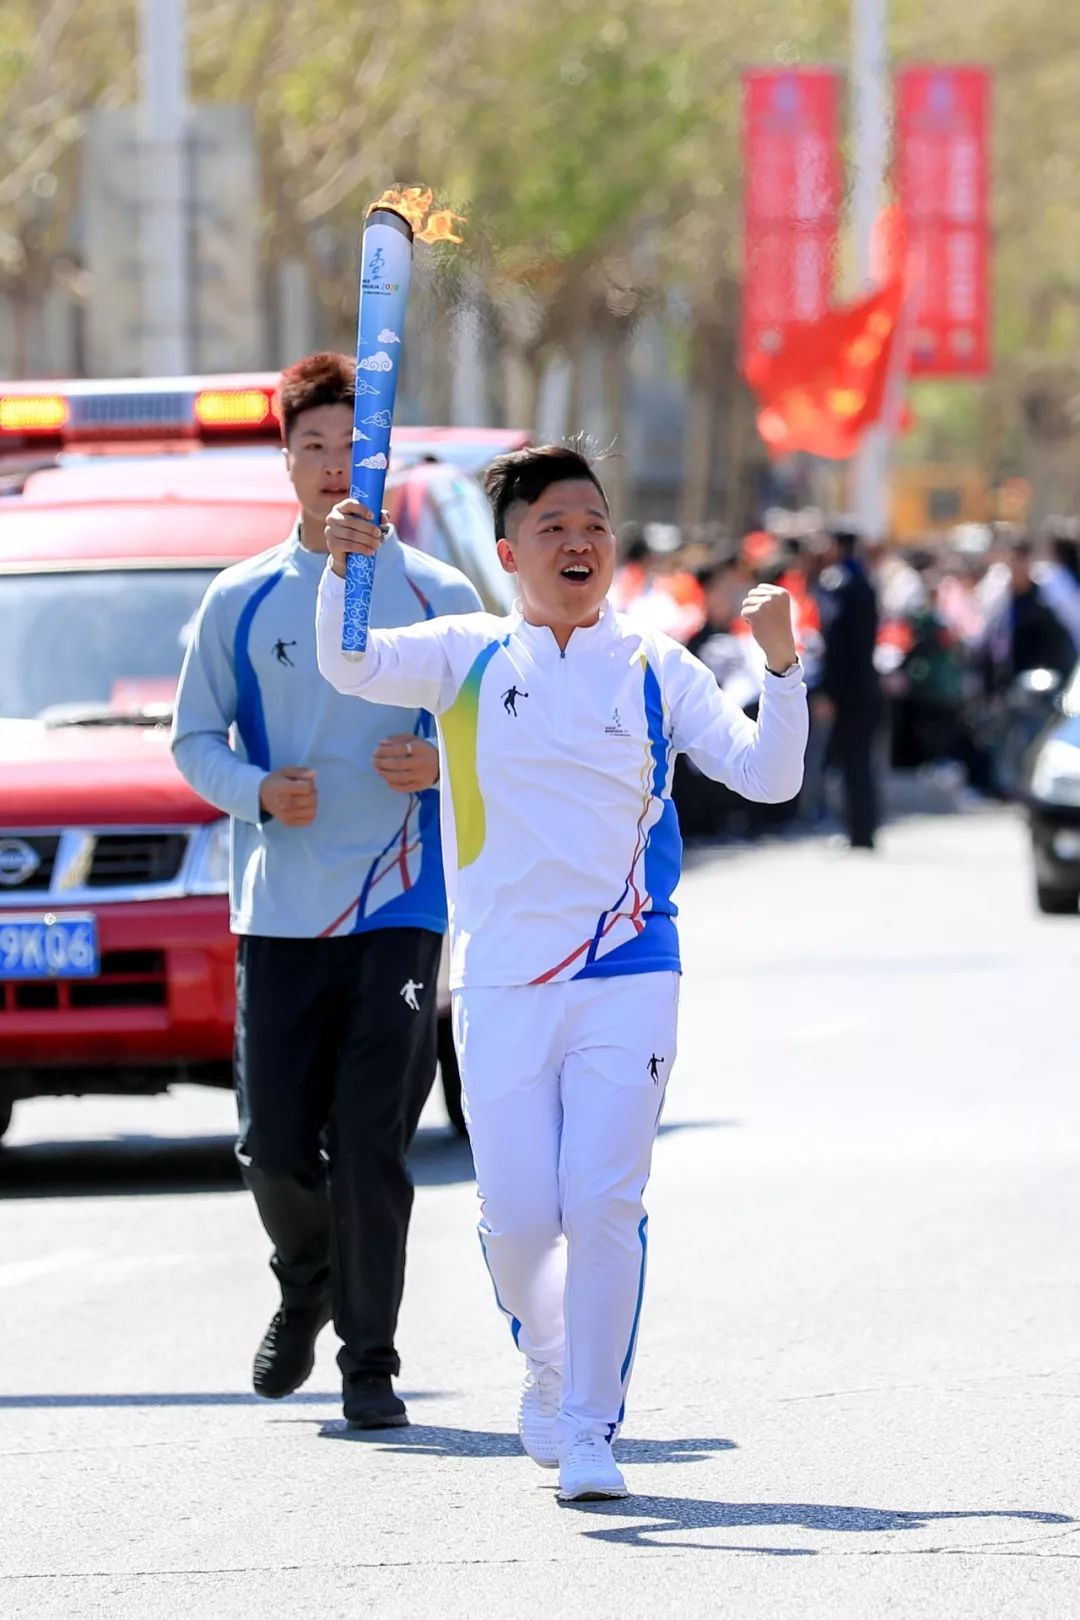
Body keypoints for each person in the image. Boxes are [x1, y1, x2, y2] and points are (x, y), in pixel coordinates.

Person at [316, 445, 807, 1501]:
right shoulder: (466, 657)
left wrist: (780, 667)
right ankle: (545, 1358)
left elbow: (770, 776)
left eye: (594, 522)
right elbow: (349, 665)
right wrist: (341, 570)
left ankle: (590, 1428)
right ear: (509, 553)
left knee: (604, 1203)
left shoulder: (655, 669)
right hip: (498, 982)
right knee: (522, 1218)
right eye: (554, 526)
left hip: (630, 968)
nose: (580, 540)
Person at [171, 352, 481, 1428]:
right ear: (286, 460)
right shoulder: (241, 598)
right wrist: (257, 792)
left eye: (351, 445)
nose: (331, 464)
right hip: (282, 905)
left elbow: (499, 734)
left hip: (399, 905)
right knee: (271, 1145)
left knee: (368, 1141)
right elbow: (192, 739)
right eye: (311, 445)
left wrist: (442, 762)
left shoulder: (440, 596)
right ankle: (304, 1280)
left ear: (381, 457)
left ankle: (369, 1360)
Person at [813, 526, 883, 850]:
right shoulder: (865, 581)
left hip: (848, 688)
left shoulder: (839, 582)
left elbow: (837, 644)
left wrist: (828, 690)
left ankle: (859, 830)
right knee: (860, 761)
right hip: (865, 683)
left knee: (852, 761)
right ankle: (863, 828)